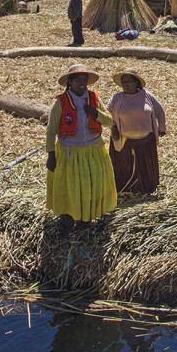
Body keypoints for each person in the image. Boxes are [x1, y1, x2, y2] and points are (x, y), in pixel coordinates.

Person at [45, 63, 116, 235]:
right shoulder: (60, 102)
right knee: (70, 186)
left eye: (85, 79)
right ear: (70, 82)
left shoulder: (93, 98)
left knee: (90, 184)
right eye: (78, 79)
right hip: (70, 152)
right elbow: (51, 129)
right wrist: (51, 154)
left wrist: (96, 113)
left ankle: (86, 219)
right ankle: (68, 217)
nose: (82, 82)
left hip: (93, 151)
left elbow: (109, 121)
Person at [106, 68, 167, 193]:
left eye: (129, 81)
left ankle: (145, 189)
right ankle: (125, 189)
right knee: (124, 167)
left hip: (145, 140)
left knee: (144, 166)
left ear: (136, 83)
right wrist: (113, 127)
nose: (125, 84)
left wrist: (161, 127)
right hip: (124, 140)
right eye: (123, 82)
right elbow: (105, 114)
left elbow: (160, 111)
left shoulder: (147, 96)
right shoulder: (116, 98)